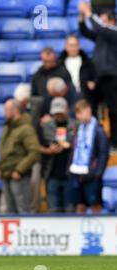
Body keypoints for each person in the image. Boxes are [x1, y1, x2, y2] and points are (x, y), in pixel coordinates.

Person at [79, 2, 117, 151]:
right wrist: (82, 16)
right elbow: (85, 31)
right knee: (91, 105)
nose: (100, 20)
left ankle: (114, 142)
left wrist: (89, 13)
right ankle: (93, 138)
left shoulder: (113, 32)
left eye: (102, 18)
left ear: (111, 20)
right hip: (99, 78)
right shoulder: (102, 35)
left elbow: (99, 27)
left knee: (114, 110)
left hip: (113, 77)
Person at [0, 99, 41, 214]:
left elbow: (35, 152)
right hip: (6, 174)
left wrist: (19, 170)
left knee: (23, 210)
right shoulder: (7, 127)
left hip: (19, 177)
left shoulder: (26, 129)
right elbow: (4, 151)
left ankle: (25, 232)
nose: (4, 112)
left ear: (14, 110)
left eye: (6, 109)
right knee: (9, 211)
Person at [69, 99, 109, 214]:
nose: (78, 116)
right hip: (77, 172)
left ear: (88, 110)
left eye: (80, 113)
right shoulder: (78, 129)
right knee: (80, 204)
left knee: (95, 204)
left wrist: (97, 173)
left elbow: (103, 153)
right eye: (77, 114)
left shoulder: (98, 130)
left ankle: (99, 228)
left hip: (91, 173)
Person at [40, 98, 75, 213]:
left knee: (70, 211)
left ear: (67, 110)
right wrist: (49, 150)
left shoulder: (76, 125)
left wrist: (69, 144)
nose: (58, 115)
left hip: (70, 175)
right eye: (56, 113)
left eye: (61, 112)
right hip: (52, 175)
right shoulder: (46, 126)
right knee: (53, 212)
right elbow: (38, 145)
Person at [59, 35, 98, 114]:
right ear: (65, 47)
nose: (73, 48)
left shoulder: (88, 62)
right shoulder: (59, 64)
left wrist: (94, 82)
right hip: (67, 98)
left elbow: (96, 76)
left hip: (85, 97)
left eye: (75, 45)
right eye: (70, 45)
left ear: (79, 46)